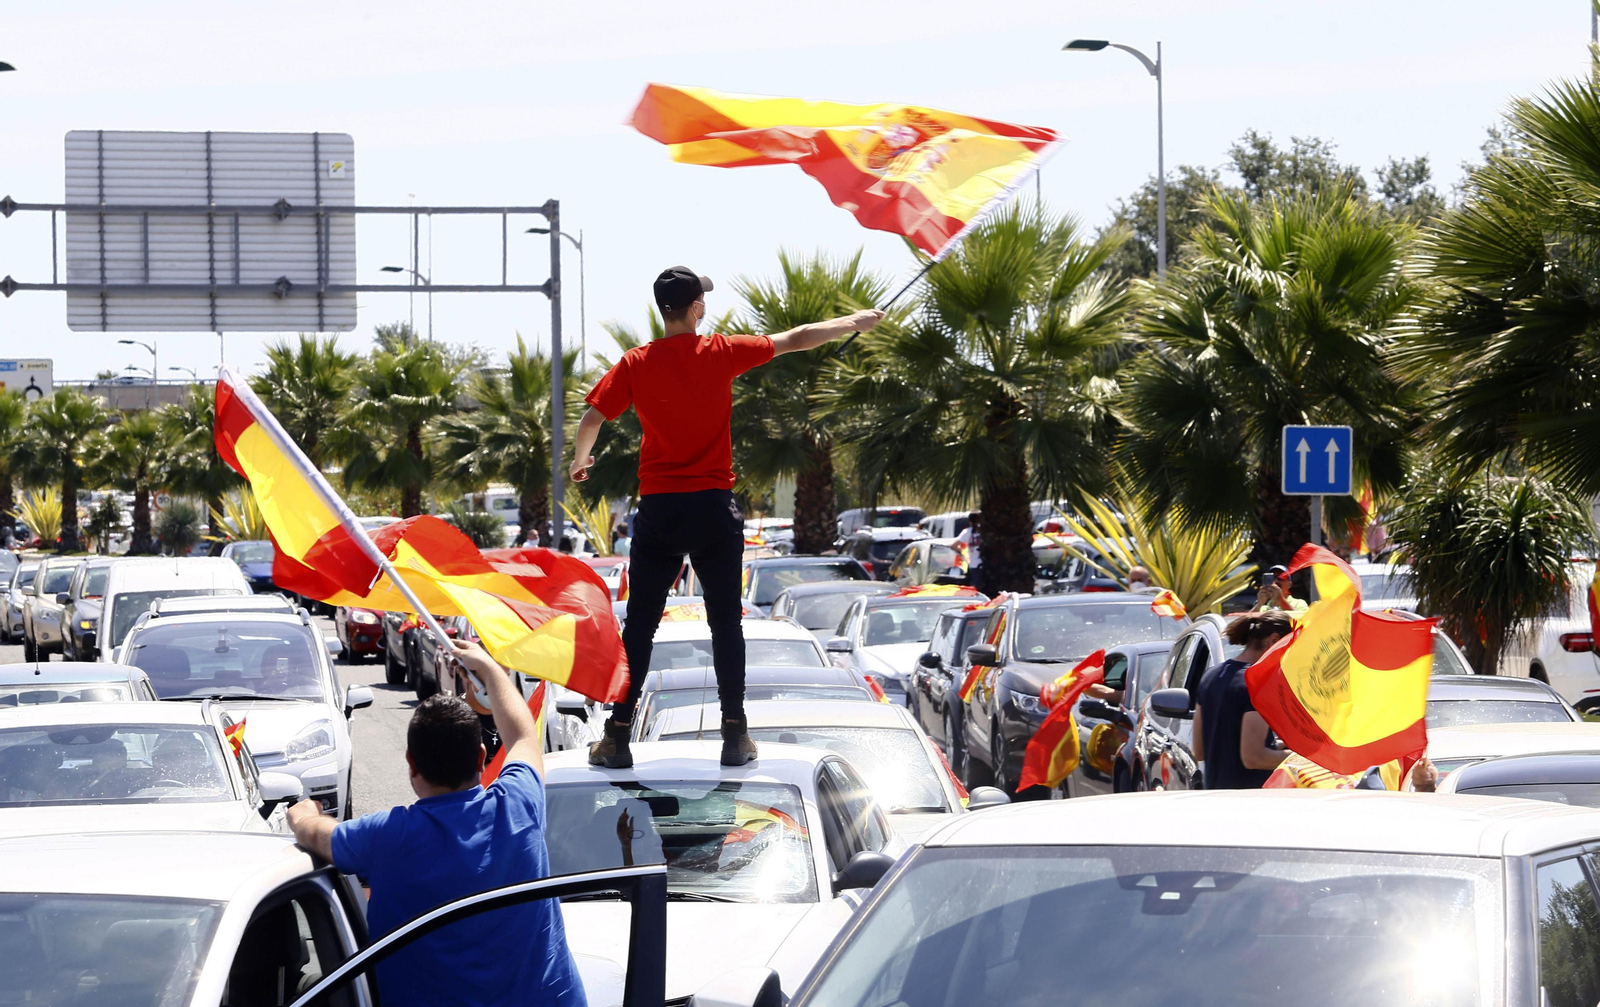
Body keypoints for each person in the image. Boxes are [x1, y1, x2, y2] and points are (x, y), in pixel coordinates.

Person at [570, 265, 882, 768]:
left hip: (660, 509)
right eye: (703, 302)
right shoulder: (720, 352)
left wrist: (581, 460)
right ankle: (735, 736)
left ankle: (618, 737)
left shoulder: (636, 362)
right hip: (713, 507)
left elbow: (592, 418)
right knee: (724, 625)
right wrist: (853, 322)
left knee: (641, 627)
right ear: (696, 308)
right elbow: (797, 338)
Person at [287, 641, 584, 1007]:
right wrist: (490, 671)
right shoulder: (518, 803)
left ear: (411, 763)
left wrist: (303, 811)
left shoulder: (386, 837)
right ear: (480, 757)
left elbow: (315, 834)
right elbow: (522, 735)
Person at [1192, 611, 1293, 789]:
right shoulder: (1257, 684)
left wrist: (1276, 745)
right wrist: (1304, 759)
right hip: (1250, 802)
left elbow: (1199, 751)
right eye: (1291, 647)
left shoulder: (1210, 677)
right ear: (1275, 640)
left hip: (1215, 797)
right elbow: (1254, 758)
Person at [955, 511, 983, 590]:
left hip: (973, 565)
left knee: (977, 589)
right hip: (985, 564)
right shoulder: (985, 531)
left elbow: (954, 545)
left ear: (970, 522)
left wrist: (964, 556)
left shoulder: (967, 532)